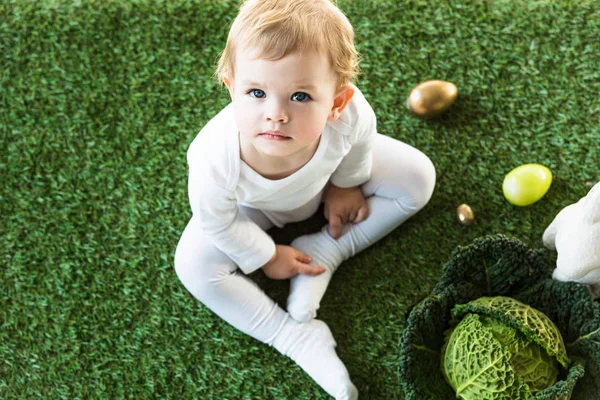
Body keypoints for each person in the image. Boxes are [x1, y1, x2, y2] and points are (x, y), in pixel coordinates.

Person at [174, 0, 436, 398]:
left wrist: (346, 184)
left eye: (300, 97)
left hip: (327, 179)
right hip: (251, 209)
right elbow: (218, 221)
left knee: (418, 178)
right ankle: (292, 337)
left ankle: (328, 249)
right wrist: (266, 255)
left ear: (336, 102)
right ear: (231, 87)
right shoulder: (213, 158)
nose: (275, 114)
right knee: (193, 266)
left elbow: (362, 140)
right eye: (257, 92)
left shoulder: (349, 115)